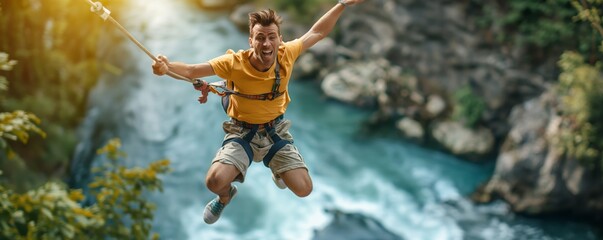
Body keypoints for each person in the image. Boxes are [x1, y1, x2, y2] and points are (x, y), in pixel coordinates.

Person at [152, 0, 364, 224]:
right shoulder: (234, 63)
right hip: (243, 131)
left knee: (304, 189)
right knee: (214, 181)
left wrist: (342, 3)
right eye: (260, 37)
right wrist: (167, 67)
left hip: (275, 131)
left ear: (280, 40)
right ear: (250, 40)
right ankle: (225, 197)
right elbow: (193, 70)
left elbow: (318, 32)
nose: (266, 43)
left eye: (271, 36)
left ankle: (278, 169)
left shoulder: (286, 54)